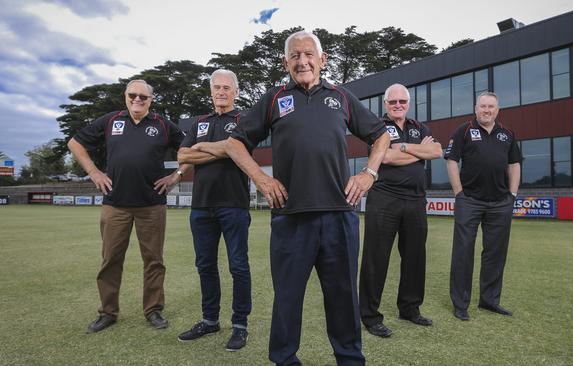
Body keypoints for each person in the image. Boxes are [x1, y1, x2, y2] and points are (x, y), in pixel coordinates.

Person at [195, 30, 390, 366]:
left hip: (338, 215)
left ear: (322, 59)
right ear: (285, 63)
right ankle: (285, 359)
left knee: (344, 299)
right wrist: (259, 177)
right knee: (287, 300)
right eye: (295, 56)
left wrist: (368, 173)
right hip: (290, 216)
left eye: (308, 54)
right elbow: (235, 143)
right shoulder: (273, 98)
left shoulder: (341, 97)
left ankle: (350, 359)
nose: (303, 61)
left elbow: (381, 134)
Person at [68, 79, 185, 333]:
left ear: (151, 100)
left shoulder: (163, 125)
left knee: (154, 261)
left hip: (152, 205)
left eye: (143, 96)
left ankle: (153, 310)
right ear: (125, 96)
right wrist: (94, 172)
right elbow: (75, 143)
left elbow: (190, 150)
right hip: (115, 205)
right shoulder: (111, 121)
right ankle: (108, 312)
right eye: (133, 95)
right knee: (110, 260)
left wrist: (176, 176)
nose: (137, 100)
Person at [176, 69, 252, 351]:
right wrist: (224, 149)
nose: (221, 92)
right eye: (216, 87)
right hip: (201, 207)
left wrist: (204, 149)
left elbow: (240, 149)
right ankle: (210, 321)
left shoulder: (244, 120)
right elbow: (183, 155)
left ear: (236, 91)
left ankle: (240, 325)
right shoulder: (200, 122)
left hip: (233, 204)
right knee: (205, 266)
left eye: (226, 88)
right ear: (211, 92)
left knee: (238, 266)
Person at [359, 84, 442, 338]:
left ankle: (409, 308)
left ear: (408, 103)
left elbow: (437, 151)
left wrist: (403, 147)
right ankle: (370, 316)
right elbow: (384, 158)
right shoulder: (378, 127)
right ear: (385, 104)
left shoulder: (420, 127)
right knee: (377, 258)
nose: (397, 105)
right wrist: (420, 152)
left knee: (415, 257)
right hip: (384, 199)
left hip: (416, 200)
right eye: (392, 102)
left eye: (402, 101)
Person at [445, 91, 521, 321]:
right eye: (483, 106)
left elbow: (514, 164)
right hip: (470, 201)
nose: (486, 110)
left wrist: (513, 194)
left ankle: (489, 300)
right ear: (475, 108)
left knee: (495, 254)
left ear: (497, 110)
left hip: (500, 203)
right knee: (463, 252)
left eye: (491, 107)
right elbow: (451, 161)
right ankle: (460, 304)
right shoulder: (464, 130)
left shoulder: (507, 134)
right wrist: (459, 194)